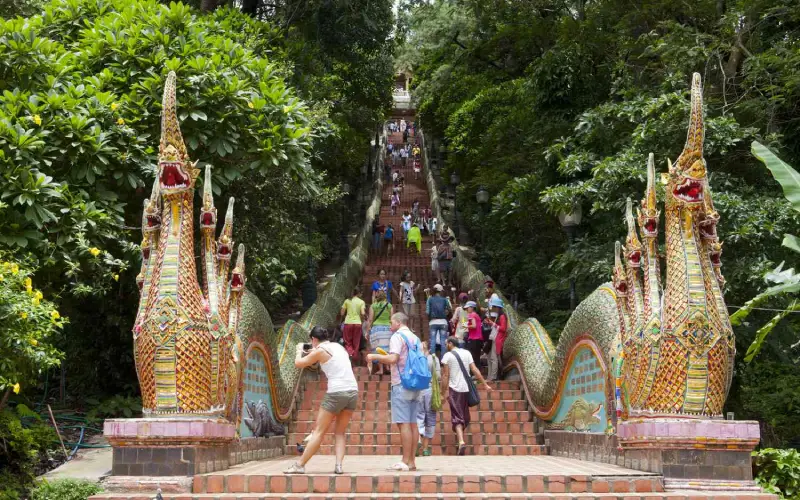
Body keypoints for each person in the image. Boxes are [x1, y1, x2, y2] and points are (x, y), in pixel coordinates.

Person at [284, 327, 358, 474]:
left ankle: (300, 465)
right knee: (340, 432)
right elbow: (323, 355)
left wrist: (299, 350)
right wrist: (312, 350)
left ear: (314, 340)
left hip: (336, 392)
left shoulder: (319, 351)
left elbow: (299, 363)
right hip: (352, 392)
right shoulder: (338, 347)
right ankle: (338, 466)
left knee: (318, 432)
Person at [366, 312, 423, 471]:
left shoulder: (397, 337)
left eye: (391, 322)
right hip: (415, 383)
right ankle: (411, 462)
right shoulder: (415, 338)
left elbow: (393, 359)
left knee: (403, 423)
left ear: (398, 322)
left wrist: (373, 356)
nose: (390, 325)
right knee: (413, 424)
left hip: (401, 383)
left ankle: (405, 461)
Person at [440, 336, 492, 455]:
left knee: (457, 416)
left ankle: (461, 441)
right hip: (466, 389)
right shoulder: (467, 353)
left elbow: (445, 376)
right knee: (463, 415)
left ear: (450, 343)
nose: (445, 346)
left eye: (446, 344)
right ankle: (460, 439)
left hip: (455, 389)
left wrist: (443, 393)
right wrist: (485, 384)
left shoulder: (447, 356)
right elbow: (474, 369)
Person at [416, 340, 441, 457]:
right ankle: (425, 449)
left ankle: (418, 442)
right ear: (428, 349)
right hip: (430, 390)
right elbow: (439, 376)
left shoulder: (415, 358)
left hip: (417, 390)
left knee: (418, 416)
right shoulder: (434, 359)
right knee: (429, 418)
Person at [366, 290, 394, 376]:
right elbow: (392, 318)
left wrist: (367, 330)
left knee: (378, 349)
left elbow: (370, 319)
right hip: (387, 329)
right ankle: (388, 367)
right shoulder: (389, 305)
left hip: (377, 329)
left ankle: (381, 369)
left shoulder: (373, 306)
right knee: (387, 348)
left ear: (377, 296)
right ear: (385, 296)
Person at [339, 287, 366, 365]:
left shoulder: (347, 301)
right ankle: (354, 356)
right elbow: (363, 313)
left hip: (348, 323)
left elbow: (341, 313)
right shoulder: (361, 302)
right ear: (358, 293)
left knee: (347, 341)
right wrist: (363, 318)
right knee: (356, 342)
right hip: (358, 323)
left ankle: (350, 353)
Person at [485, 296, 508, 381]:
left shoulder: (502, 316)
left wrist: (493, 324)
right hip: (495, 338)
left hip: (498, 339)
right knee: (492, 357)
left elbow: (503, 328)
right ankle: (493, 376)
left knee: (494, 358)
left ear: (497, 307)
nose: (493, 308)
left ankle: (494, 377)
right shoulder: (499, 315)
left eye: (494, 306)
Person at [426, 284, 452, 359]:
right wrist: (445, 313)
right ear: (440, 291)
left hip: (433, 322)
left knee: (433, 341)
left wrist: (429, 319)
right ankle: (443, 360)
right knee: (443, 341)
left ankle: (433, 360)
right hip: (443, 322)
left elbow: (427, 312)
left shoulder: (430, 299)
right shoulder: (444, 299)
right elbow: (449, 308)